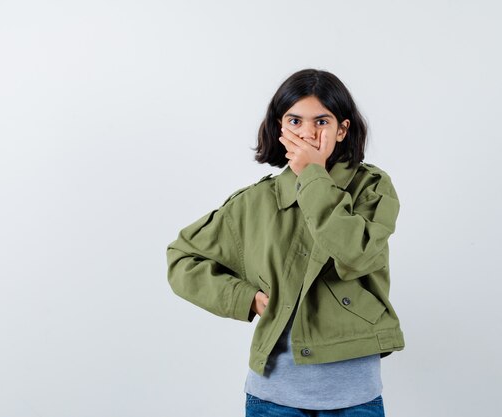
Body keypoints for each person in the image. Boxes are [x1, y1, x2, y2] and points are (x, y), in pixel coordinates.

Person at [166, 69, 405, 416]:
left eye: (321, 121)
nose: (307, 133)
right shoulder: (255, 201)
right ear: (279, 128)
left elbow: (356, 254)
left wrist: (313, 175)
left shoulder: (372, 188)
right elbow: (182, 258)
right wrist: (244, 299)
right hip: (272, 397)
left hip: (354, 397)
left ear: (343, 129)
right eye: (295, 121)